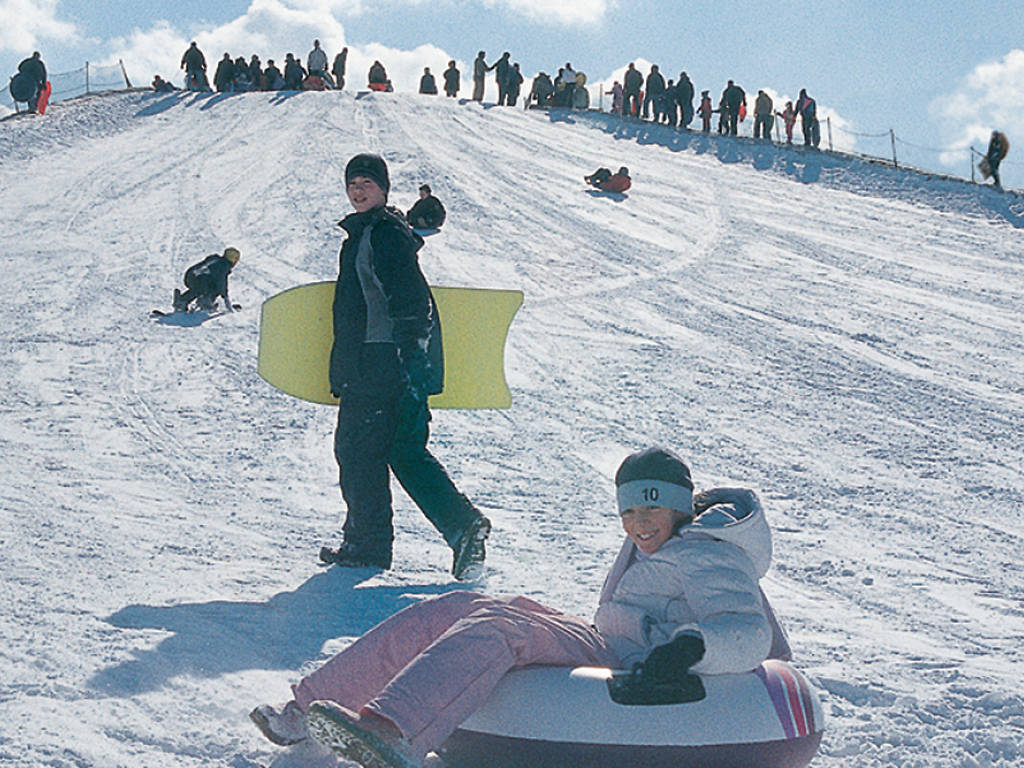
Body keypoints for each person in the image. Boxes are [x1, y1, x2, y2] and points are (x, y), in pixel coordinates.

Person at [250, 447, 781, 768]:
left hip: (638, 659)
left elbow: (747, 631)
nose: (638, 524)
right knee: (455, 606)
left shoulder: (711, 555)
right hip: (609, 639)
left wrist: (689, 648)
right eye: (629, 512)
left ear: (679, 507)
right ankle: (304, 711)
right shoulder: (671, 541)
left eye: (651, 509)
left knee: (501, 627)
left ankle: (394, 732)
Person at [318, 154, 490, 580]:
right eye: (352, 184)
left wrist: (412, 357)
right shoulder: (369, 232)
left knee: (358, 451)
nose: (358, 191)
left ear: (383, 188)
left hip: (382, 361)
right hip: (377, 360)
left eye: (366, 183)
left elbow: (411, 299)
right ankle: (456, 527)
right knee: (395, 450)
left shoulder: (385, 233)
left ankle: (369, 546)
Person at [172, 247, 240, 313]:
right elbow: (221, 282)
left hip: (191, 275)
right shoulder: (224, 265)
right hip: (200, 279)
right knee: (213, 287)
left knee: (202, 286)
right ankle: (205, 301)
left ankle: (183, 300)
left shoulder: (216, 260)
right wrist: (225, 297)